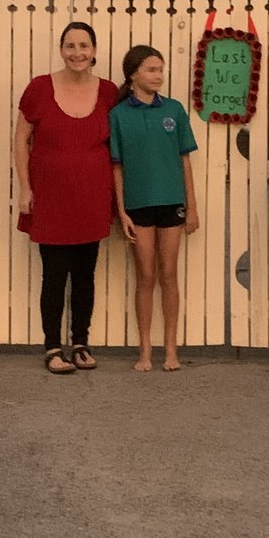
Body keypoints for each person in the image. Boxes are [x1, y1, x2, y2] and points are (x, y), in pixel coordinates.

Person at [14, 22, 120, 374]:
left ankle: (81, 343)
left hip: (92, 195)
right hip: (51, 196)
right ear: (61, 50)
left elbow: (117, 145)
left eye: (84, 46)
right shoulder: (39, 88)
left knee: (86, 274)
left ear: (94, 50)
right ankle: (52, 347)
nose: (78, 52)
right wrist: (25, 188)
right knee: (54, 275)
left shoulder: (108, 92)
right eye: (71, 46)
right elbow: (20, 140)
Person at [108, 44, 199, 372]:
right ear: (133, 74)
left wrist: (192, 206)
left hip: (171, 203)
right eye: (151, 69)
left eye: (160, 69)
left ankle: (170, 350)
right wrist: (122, 211)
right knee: (146, 276)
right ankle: (145, 350)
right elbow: (116, 167)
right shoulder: (118, 115)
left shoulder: (173, 110)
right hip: (138, 205)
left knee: (169, 274)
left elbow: (184, 160)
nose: (158, 75)